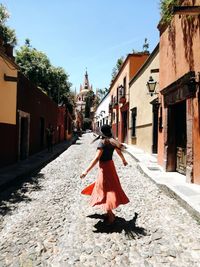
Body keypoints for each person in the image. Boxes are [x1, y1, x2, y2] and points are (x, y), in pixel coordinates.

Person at [80, 124, 129, 224]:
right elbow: (118, 151)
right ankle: (109, 212)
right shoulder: (112, 141)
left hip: (104, 168)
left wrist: (86, 171)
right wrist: (123, 160)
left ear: (102, 132)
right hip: (111, 166)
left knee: (105, 190)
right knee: (108, 188)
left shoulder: (102, 143)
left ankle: (110, 215)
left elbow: (97, 158)